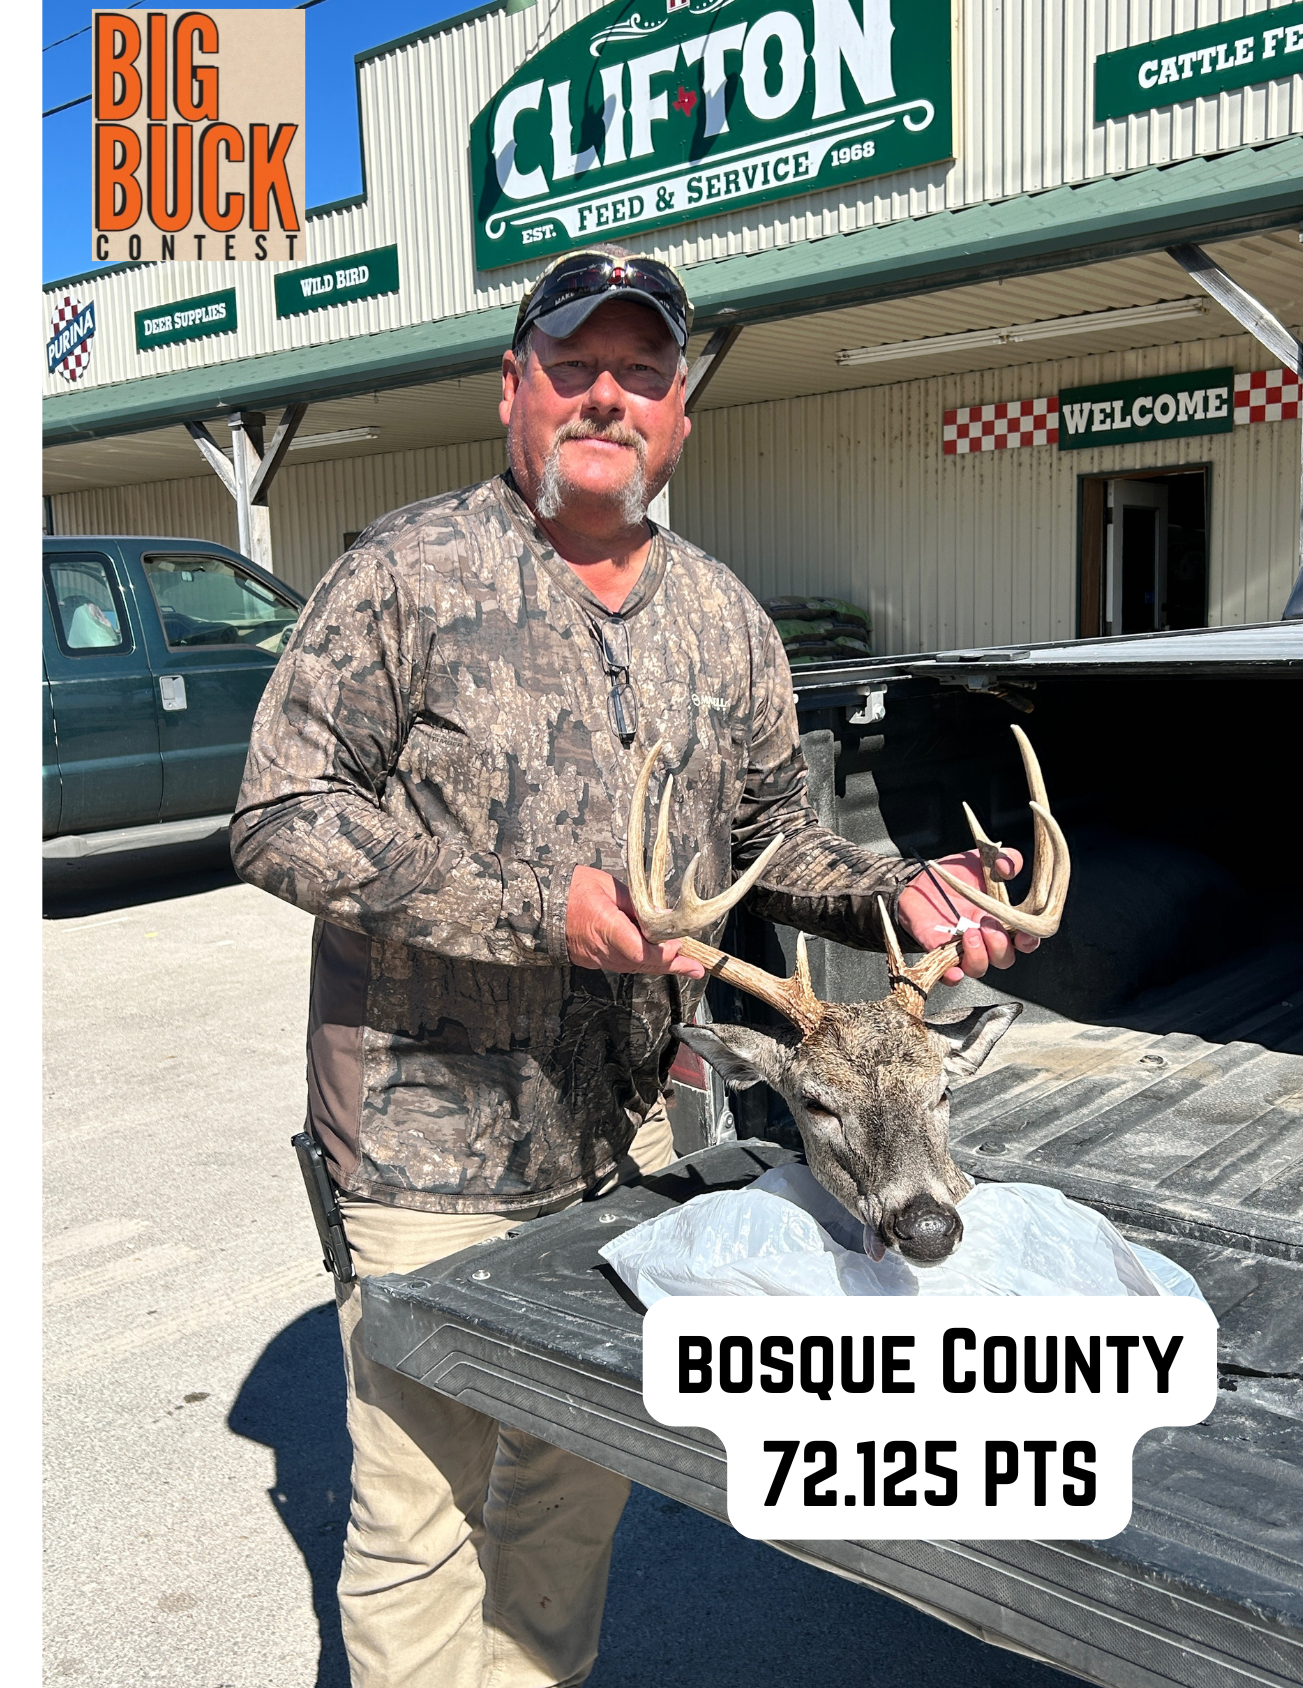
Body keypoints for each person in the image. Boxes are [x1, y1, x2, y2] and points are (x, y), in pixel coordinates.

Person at [231, 245, 1038, 1688]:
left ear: (677, 415)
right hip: (423, 1150)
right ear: (513, 390)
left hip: (631, 1141)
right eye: (574, 366)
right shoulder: (404, 574)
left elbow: (777, 843)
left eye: (642, 373)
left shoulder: (724, 616)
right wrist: (538, 911)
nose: (607, 395)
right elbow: (283, 815)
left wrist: (901, 892)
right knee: (419, 1520)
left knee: (570, 1485)